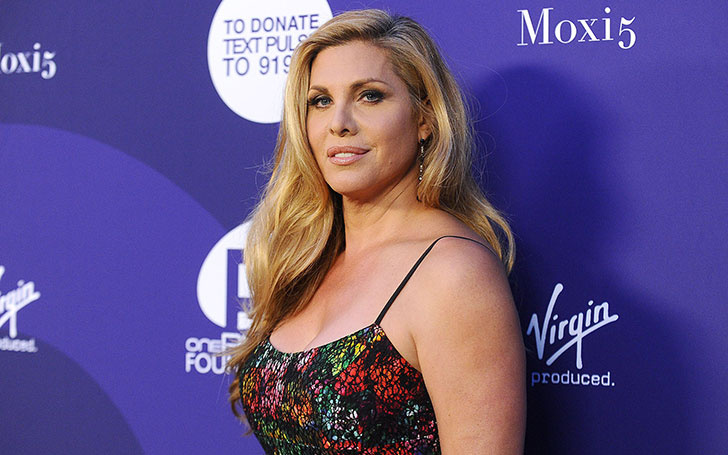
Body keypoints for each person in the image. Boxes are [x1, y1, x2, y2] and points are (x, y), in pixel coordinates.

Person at [227, 9, 525, 454]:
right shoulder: (309, 259)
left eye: (369, 96)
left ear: (425, 118)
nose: (339, 122)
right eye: (320, 101)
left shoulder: (453, 273)